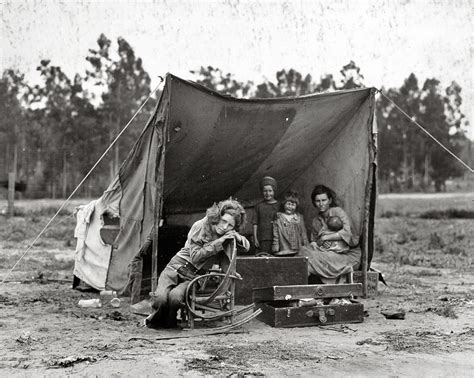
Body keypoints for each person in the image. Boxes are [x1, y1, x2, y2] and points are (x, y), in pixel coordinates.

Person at [147, 199, 250, 328]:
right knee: (160, 298)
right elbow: (195, 257)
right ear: (218, 216)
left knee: (175, 298)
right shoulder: (200, 226)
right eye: (223, 221)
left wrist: (237, 236)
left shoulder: (226, 234)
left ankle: (170, 319)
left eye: (230, 225)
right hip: (176, 266)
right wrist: (218, 242)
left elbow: (246, 247)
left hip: (196, 275)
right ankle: (155, 320)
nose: (224, 227)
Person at [300, 184, 361, 284]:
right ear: (314, 203)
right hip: (327, 252)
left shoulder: (338, 212)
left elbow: (347, 233)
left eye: (324, 200)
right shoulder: (316, 221)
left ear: (330, 201)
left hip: (347, 254)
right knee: (303, 251)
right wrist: (318, 243)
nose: (321, 204)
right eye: (317, 201)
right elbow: (315, 241)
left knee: (310, 259)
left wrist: (327, 237)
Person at [272, 191, 309, 256]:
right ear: (284, 204)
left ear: (296, 206)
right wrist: (275, 245)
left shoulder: (298, 217)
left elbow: (303, 233)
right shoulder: (279, 217)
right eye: (288, 204)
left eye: (293, 205)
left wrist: (306, 245)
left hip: (297, 247)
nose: (290, 207)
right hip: (284, 247)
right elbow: (276, 233)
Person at [252, 176, 279, 256]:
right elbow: (255, 223)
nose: (267, 194)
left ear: (274, 191)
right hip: (262, 239)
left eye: (270, 191)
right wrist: (255, 238)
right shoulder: (259, 206)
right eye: (265, 191)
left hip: (276, 239)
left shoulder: (279, 205)